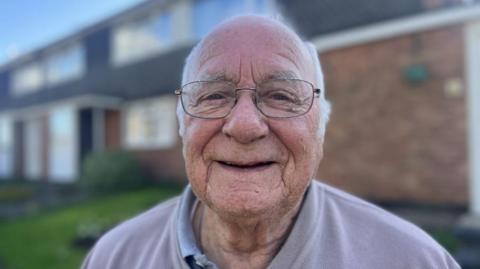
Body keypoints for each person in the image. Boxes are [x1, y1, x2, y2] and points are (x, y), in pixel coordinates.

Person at [82, 15, 460, 269]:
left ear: (320, 128)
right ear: (183, 126)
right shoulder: (114, 258)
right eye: (213, 96)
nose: (244, 126)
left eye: (281, 95)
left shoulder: (414, 260)